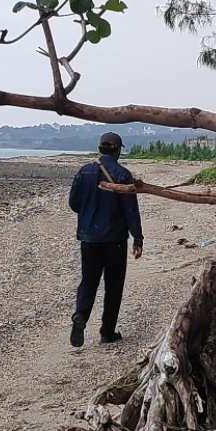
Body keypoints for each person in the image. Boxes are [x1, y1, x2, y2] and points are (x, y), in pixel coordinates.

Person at [68, 131, 144, 347]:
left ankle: (81, 315)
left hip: (89, 239)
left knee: (88, 280)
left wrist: (89, 213)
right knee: (114, 285)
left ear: (101, 149)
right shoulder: (122, 174)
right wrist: (138, 238)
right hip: (115, 240)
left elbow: (74, 204)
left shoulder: (84, 172)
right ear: (118, 150)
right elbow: (131, 211)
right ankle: (107, 332)